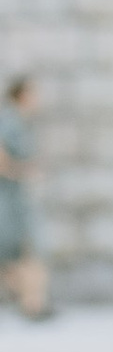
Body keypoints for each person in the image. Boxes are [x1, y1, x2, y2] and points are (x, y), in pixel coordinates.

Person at [0, 76, 51, 321]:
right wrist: (24, 171)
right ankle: (31, 303)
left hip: (16, 200)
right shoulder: (9, 119)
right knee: (26, 252)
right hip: (9, 200)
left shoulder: (19, 121)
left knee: (20, 254)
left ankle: (31, 303)